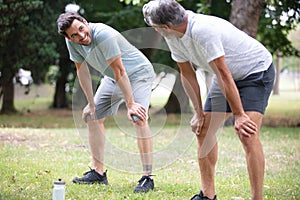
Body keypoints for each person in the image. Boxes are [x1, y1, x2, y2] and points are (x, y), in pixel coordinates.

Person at [142, 1, 275, 200]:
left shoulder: (203, 30)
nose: (155, 30)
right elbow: (187, 74)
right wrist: (198, 112)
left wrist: (239, 115)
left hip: (255, 72)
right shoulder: (173, 35)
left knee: (247, 133)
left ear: (165, 27)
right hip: (226, 77)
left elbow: (222, 74)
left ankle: (257, 198)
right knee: (203, 130)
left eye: (154, 27)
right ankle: (207, 195)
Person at [56, 12, 156, 193]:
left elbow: (120, 70)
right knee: (91, 116)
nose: (81, 36)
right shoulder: (72, 43)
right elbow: (82, 71)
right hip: (112, 78)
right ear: (68, 37)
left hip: (138, 74)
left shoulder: (103, 34)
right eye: (74, 35)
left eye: (81, 29)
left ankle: (147, 178)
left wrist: (131, 103)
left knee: (138, 117)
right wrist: (91, 103)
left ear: (85, 22)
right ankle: (98, 173)